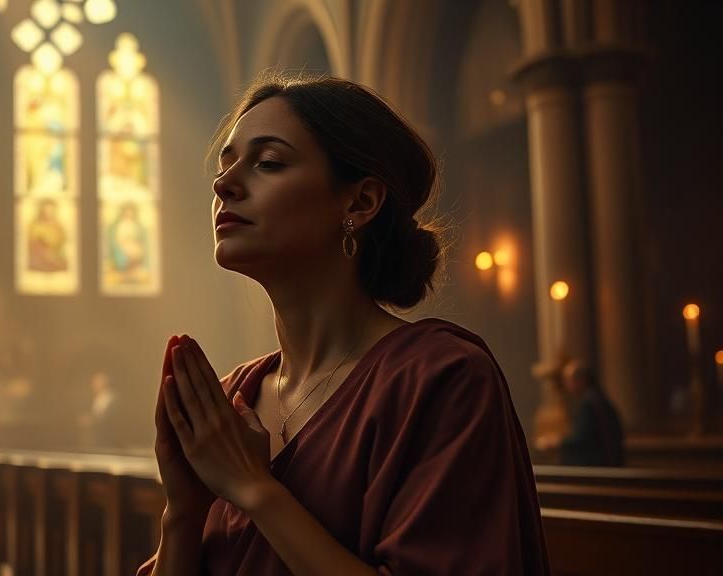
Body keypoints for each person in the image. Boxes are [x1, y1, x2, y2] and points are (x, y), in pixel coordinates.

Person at [139, 74, 549, 575]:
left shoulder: (441, 378)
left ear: (358, 203)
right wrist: (183, 511)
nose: (223, 184)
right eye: (226, 164)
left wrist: (253, 487)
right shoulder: (229, 402)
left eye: (268, 163)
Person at [544, 359, 625, 467]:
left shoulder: (588, 404)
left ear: (581, 380)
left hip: (597, 465)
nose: (566, 385)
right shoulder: (597, 398)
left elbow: (581, 439)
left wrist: (557, 442)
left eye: (568, 380)